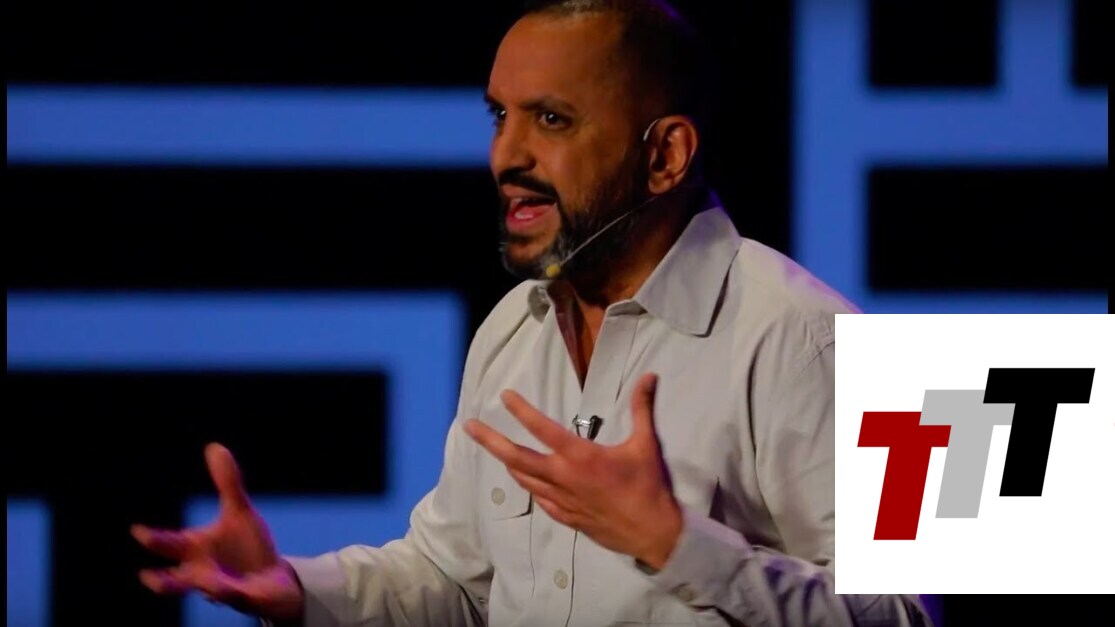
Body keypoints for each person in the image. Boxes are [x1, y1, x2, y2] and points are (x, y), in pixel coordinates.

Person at [132, 1, 934, 625]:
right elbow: (454, 581)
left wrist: (676, 543)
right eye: (499, 116)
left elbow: (913, 612)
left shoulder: (821, 338)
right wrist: (296, 587)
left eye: (550, 120)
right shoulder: (512, 328)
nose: (504, 156)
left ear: (664, 155)